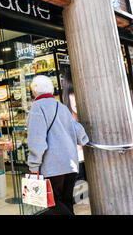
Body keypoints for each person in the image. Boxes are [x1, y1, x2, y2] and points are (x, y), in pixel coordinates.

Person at [27, 75, 89, 215]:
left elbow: (36, 141)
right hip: (71, 164)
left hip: (53, 166)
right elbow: (77, 129)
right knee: (66, 201)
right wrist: (85, 140)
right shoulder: (61, 106)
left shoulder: (37, 107)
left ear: (35, 91)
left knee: (52, 201)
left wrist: (34, 166)